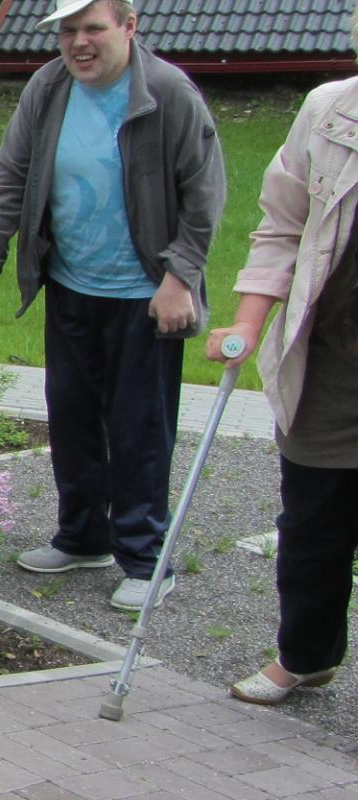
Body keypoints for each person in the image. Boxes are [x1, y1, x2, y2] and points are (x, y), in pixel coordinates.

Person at [0, 0, 224, 612]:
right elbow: (10, 182)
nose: (79, 43)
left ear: (130, 27)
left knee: (140, 426)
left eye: (93, 29)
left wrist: (180, 278)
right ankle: (84, 536)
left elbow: (204, 194)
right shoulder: (49, 87)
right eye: (68, 32)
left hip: (146, 295)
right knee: (73, 417)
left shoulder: (167, 92)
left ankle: (145, 557)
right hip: (70, 285)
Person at [206, 39, 358, 703]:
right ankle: (306, 655)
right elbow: (281, 227)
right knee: (314, 520)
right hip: (331, 360)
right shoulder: (329, 113)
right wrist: (246, 324)